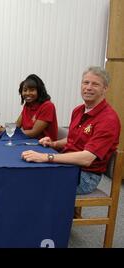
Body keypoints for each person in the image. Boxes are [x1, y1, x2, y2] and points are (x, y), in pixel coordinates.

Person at [21, 66, 121, 194]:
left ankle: (51, 213)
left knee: (30, 182)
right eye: (86, 83)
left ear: (105, 88)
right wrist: (54, 144)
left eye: (95, 84)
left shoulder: (108, 119)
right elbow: (74, 139)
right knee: (25, 172)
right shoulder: (78, 110)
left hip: (85, 176)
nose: (88, 87)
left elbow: (87, 158)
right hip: (68, 165)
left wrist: (47, 156)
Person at [0, 74, 58, 140]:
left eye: (32, 90)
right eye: (25, 90)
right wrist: (1, 129)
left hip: (45, 146)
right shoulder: (28, 105)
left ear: (39, 91)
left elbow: (34, 132)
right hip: (29, 142)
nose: (27, 93)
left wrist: (5, 132)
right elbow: (17, 125)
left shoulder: (48, 106)